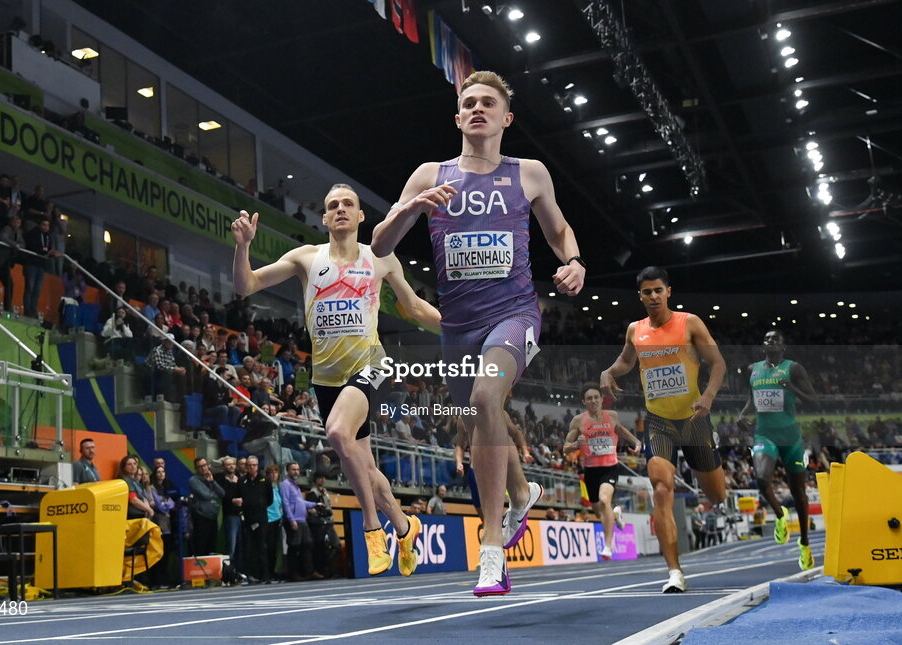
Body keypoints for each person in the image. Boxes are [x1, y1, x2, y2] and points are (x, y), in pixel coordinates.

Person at [371, 70, 585, 596]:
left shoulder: (529, 173)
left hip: (513, 312)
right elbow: (379, 245)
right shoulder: (429, 174)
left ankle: (491, 549)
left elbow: (557, 229)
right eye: (469, 103)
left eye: (488, 102)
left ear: (506, 118)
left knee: (488, 395)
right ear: (458, 117)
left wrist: (574, 260)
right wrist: (412, 209)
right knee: (480, 416)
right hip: (457, 325)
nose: (478, 109)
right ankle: (520, 491)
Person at [232, 182, 439, 578]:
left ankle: (371, 529)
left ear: (361, 216)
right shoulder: (306, 258)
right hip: (328, 380)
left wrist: (459, 328)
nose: (340, 208)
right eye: (332, 205)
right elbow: (247, 286)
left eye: (348, 204)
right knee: (364, 465)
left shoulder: (381, 257)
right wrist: (243, 246)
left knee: (338, 433)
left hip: (373, 367)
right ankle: (404, 525)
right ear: (325, 218)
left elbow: (413, 307)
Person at [600, 266, 727, 593]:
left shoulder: (690, 323)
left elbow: (718, 363)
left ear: (669, 291)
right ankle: (674, 572)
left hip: (695, 419)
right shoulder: (635, 330)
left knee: (716, 494)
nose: (653, 297)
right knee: (660, 489)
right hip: (658, 422)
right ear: (640, 296)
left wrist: (709, 396)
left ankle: (711, 485)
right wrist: (608, 373)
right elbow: (626, 362)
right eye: (647, 292)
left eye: (658, 290)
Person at [737, 329, 818, 570]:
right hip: (764, 433)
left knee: (799, 492)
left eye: (775, 339)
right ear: (763, 346)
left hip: (791, 437)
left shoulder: (794, 369)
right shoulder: (753, 370)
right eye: (766, 339)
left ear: (783, 347)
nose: (770, 342)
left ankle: (804, 543)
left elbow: (814, 401)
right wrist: (743, 413)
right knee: (761, 478)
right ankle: (780, 514)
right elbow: (753, 399)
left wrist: (792, 388)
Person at [562, 386, 641, 560]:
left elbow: (619, 429)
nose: (594, 401)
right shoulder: (578, 421)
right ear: (584, 402)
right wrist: (576, 445)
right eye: (589, 398)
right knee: (599, 512)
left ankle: (607, 547)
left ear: (601, 399)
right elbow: (565, 449)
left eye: (596, 397)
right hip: (591, 471)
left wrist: (636, 441)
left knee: (605, 500)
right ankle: (616, 514)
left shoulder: (611, 416)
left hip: (610, 467)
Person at [278, 462, 324, 581]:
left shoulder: (295, 486)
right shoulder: (285, 485)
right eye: (293, 469)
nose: (296, 472)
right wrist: (291, 519)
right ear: (287, 471)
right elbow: (285, 503)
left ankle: (309, 571)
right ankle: (292, 573)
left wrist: (314, 504)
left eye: (298, 469)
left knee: (307, 545)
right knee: (294, 546)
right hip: (294, 520)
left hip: (302, 520)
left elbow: (300, 502)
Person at [240, 456, 273, 583]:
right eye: (249, 465)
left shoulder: (265, 480)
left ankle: (265, 576)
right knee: (249, 547)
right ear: (246, 467)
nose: (252, 467)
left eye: (254, 465)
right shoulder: (242, 481)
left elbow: (269, 499)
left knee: (262, 547)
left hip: (261, 519)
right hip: (248, 519)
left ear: (258, 466)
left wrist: (260, 505)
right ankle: (251, 575)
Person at [187, 457, 225, 556]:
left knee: (212, 547)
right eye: (200, 467)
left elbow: (222, 493)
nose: (204, 468)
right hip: (201, 516)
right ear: (196, 468)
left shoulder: (210, 478)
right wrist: (214, 494)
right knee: (201, 546)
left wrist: (212, 481)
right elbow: (205, 495)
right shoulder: (193, 480)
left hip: (213, 516)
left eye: (205, 465)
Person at [306, 473, 340, 578]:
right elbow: (311, 509)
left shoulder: (324, 491)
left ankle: (328, 567)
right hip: (319, 523)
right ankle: (323, 570)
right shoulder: (313, 492)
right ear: (315, 479)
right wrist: (322, 513)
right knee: (320, 547)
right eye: (320, 478)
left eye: (324, 477)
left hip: (328, 522)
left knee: (336, 545)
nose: (323, 480)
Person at [263, 463, 283, 582]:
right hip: (267, 520)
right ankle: (267, 573)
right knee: (268, 548)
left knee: (274, 548)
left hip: (277, 520)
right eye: (271, 472)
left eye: (275, 472)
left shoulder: (277, 488)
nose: (273, 475)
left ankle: (273, 571)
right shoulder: (265, 487)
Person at [117, 455, 153, 520]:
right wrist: (149, 510)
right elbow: (133, 500)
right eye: (129, 464)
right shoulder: (127, 480)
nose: (133, 466)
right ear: (124, 467)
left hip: (141, 516)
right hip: (133, 518)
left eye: (134, 464)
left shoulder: (136, 481)